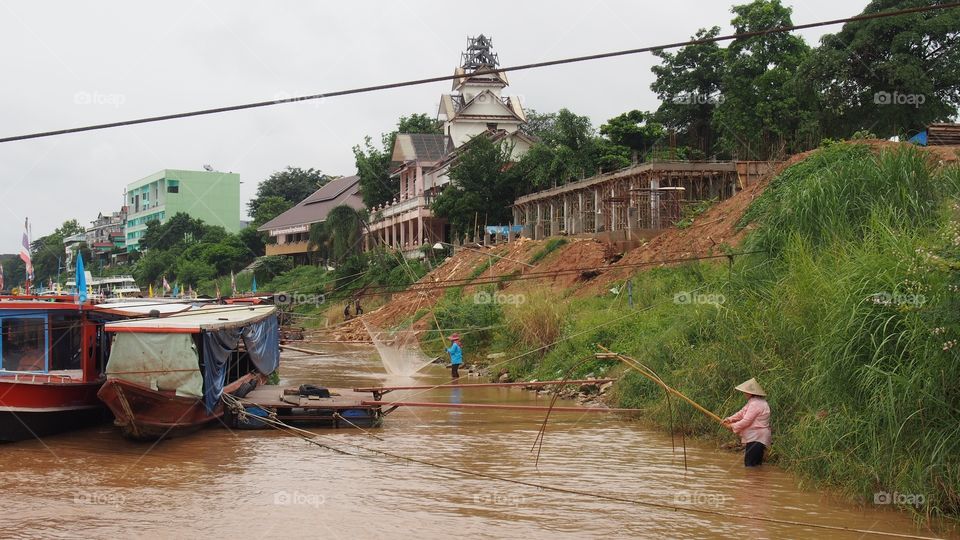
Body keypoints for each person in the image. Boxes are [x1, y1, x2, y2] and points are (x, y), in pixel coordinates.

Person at [723, 377, 771, 467]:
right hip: (758, 437)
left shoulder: (756, 404)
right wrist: (730, 419)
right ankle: (757, 480)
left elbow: (746, 421)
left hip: (757, 438)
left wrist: (732, 426)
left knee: (749, 465)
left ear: (750, 393)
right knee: (755, 465)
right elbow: (742, 413)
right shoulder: (755, 402)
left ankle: (752, 480)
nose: (744, 393)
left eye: (745, 392)